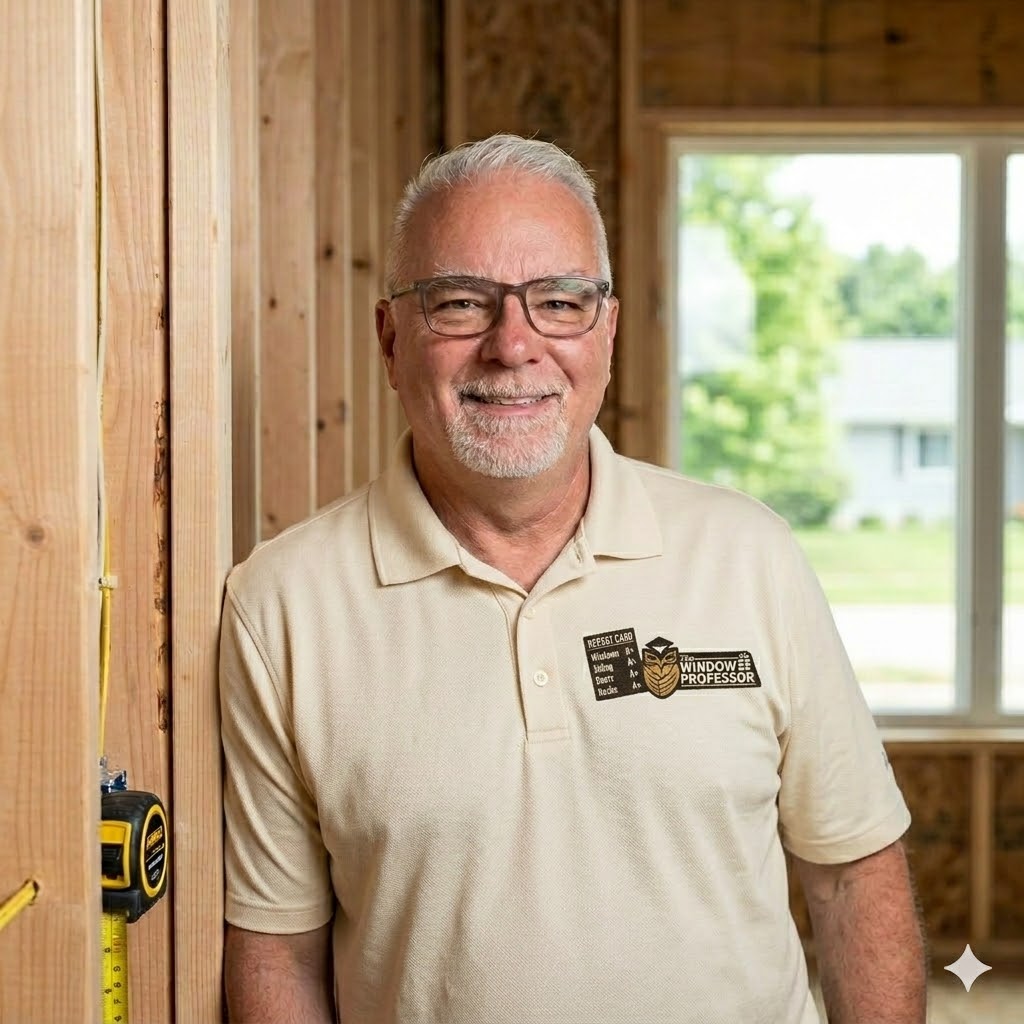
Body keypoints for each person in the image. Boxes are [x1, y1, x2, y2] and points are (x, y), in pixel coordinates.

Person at [219, 133, 927, 1024]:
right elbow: (278, 953)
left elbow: (853, 875)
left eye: (559, 301)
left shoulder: (750, 558)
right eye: (460, 304)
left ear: (608, 332)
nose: (513, 346)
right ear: (391, 339)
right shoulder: (280, 608)